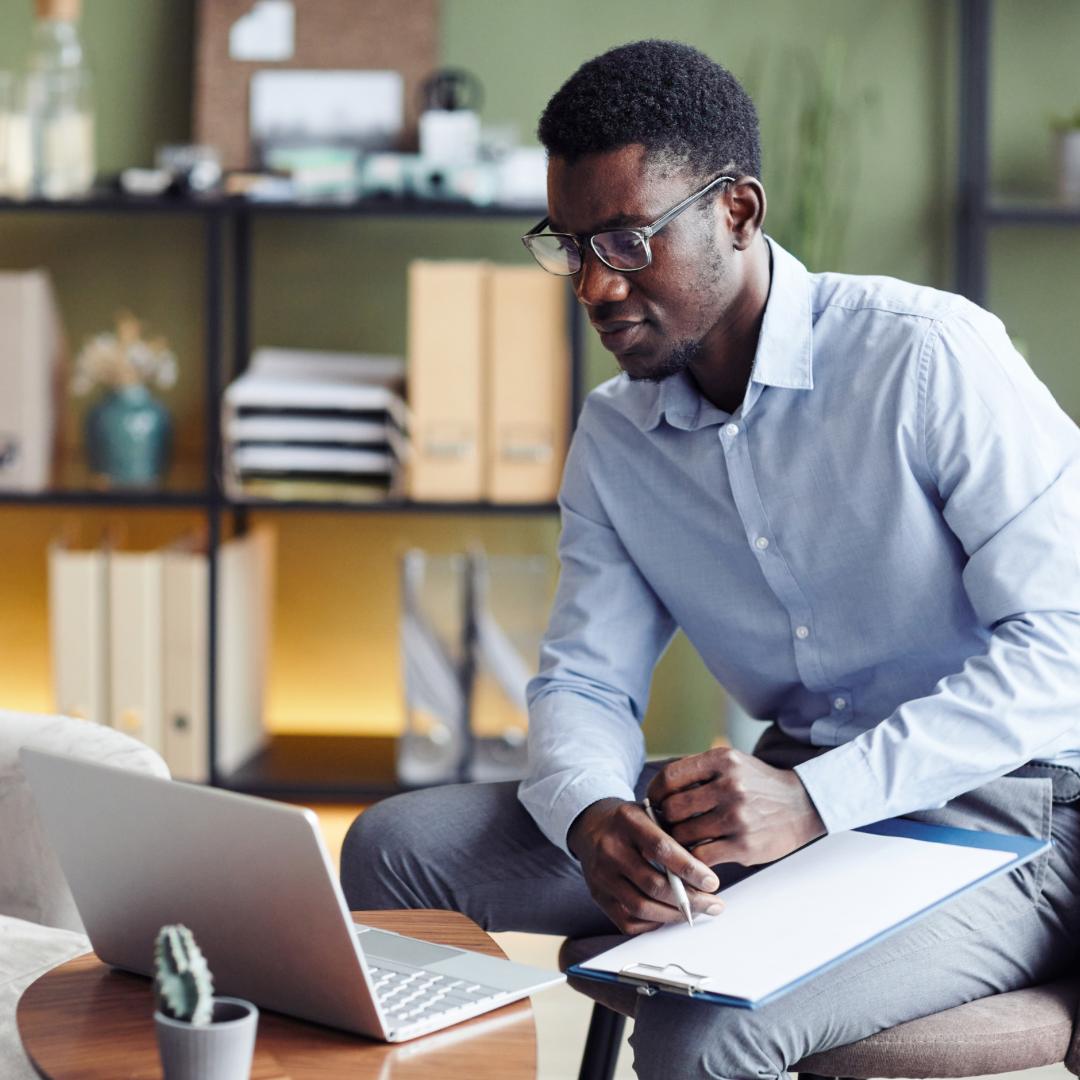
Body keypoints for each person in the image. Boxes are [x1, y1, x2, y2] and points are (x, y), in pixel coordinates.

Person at [342, 39, 1080, 1079]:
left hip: (1011, 816)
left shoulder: (927, 357)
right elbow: (586, 679)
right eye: (569, 242)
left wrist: (817, 801)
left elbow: (1065, 650)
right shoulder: (614, 439)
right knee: (394, 847)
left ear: (738, 212)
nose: (593, 284)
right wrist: (594, 814)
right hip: (791, 802)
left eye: (628, 241)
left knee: (705, 1025)